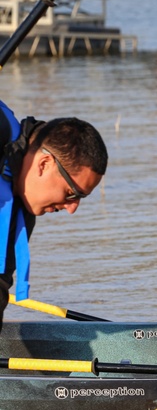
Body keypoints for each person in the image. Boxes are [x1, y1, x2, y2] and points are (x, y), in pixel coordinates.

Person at [0, 99, 107, 328]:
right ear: (44, 164)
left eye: (81, 198)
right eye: (71, 193)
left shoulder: (18, 216)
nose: (72, 208)